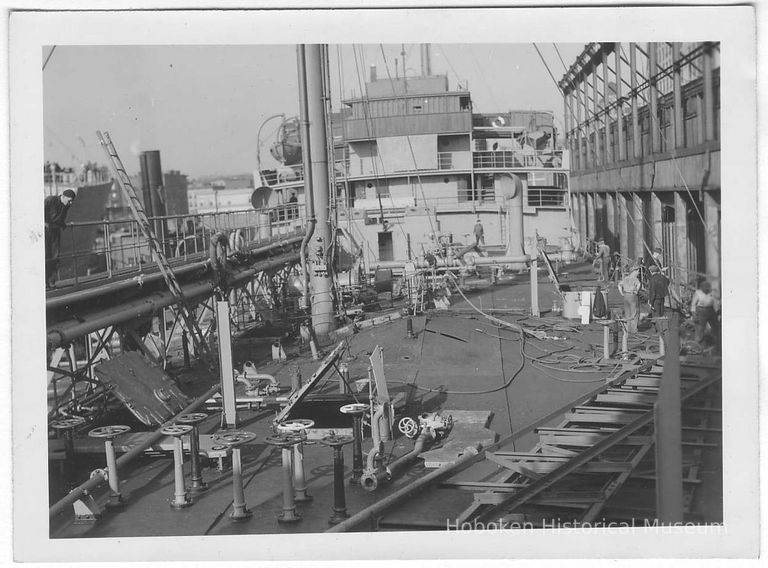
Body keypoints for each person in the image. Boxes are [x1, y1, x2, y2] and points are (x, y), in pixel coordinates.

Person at [44, 189, 76, 288]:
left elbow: (61, 218)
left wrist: (62, 224)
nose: (71, 203)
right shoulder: (50, 200)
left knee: (55, 256)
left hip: (55, 231)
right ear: (63, 196)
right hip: (45, 231)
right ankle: (44, 282)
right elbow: (40, 211)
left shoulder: (67, 205)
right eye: (69, 200)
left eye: (72, 201)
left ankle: (51, 281)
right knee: (45, 255)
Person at [690, 280, 720, 349]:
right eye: (705, 288)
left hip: (711, 310)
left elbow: (716, 302)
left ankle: (717, 346)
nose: (706, 289)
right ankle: (698, 347)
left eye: (708, 288)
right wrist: (694, 314)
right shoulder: (697, 293)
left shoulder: (712, 292)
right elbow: (693, 304)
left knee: (716, 328)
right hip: (701, 310)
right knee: (700, 329)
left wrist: (717, 311)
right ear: (701, 287)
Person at [617, 268, 641, 333]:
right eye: (637, 271)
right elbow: (639, 284)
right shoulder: (635, 279)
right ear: (634, 272)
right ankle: (633, 329)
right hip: (632, 295)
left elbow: (619, 285)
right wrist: (637, 290)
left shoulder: (625, 278)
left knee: (627, 312)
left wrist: (621, 293)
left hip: (625, 295)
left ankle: (628, 328)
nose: (638, 273)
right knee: (634, 312)